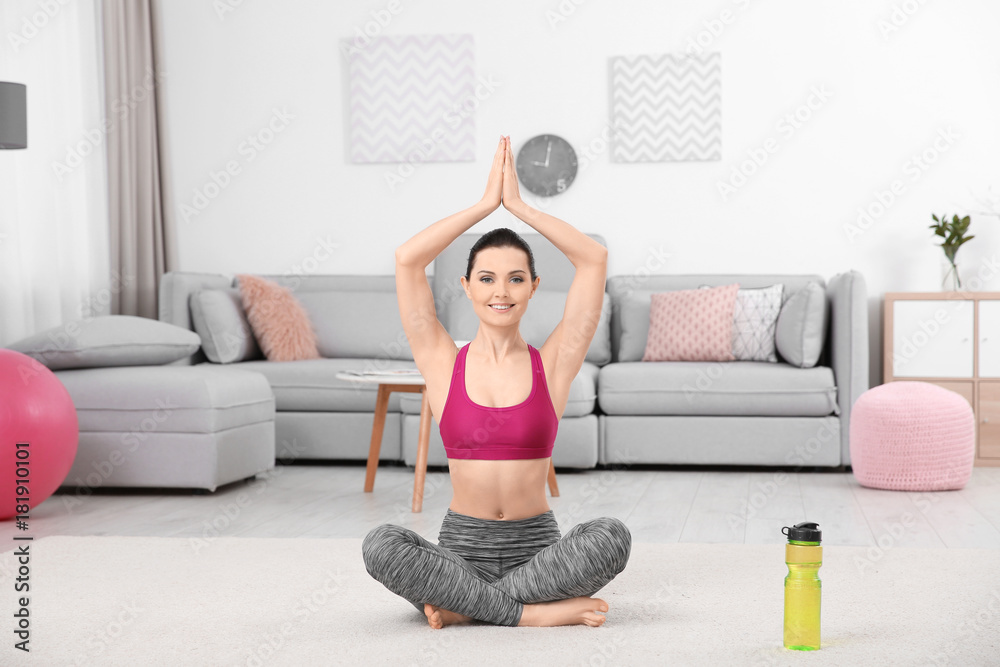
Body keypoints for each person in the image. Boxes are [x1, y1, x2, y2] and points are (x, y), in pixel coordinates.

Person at [362, 135, 631, 629]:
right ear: (466, 287)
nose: (500, 291)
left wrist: (520, 208)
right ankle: (527, 614)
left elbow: (592, 258)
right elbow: (407, 259)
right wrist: (485, 206)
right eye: (485, 278)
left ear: (532, 285)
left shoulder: (551, 364)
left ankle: (474, 608)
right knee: (381, 545)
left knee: (611, 535)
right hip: (461, 554)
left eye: (514, 278)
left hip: (539, 556)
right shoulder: (444, 362)